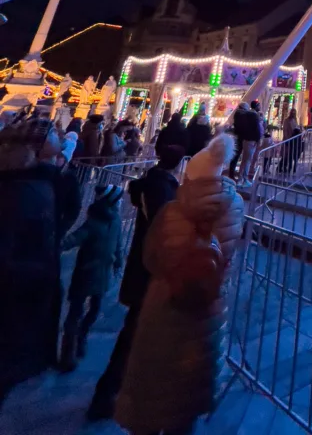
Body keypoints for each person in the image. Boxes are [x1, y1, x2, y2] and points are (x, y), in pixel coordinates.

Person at [115, 134, 244, 435]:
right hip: (207, 309)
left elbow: (152, 258)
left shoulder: (172, 209)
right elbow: (231, 254)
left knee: (154, 389)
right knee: (187, 401)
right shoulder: (234, 206)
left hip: (166, 305)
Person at [88, 143, 187, 421]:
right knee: (136, 334)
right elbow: (166, 228)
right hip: (153, 272)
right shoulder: (164, 191)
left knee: (135, 331)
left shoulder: (148, 184)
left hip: (142, 267)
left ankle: (114, 390)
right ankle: (113, 391)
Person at [0, 118, 81, 406]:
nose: (59, 137)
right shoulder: (32, 188)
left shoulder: (45, 181)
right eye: (53, 134)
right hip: (24, 287)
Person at [59, 184, 124, 370]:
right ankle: (68, 351)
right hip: (87, 272)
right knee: (76, 311)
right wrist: (59, 245)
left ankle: (81, 336)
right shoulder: (94, 222)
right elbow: (76, 238)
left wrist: (118, 260)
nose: (120, 203)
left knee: (94, 310)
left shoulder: (116, 221)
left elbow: (118, 241)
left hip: (102, 273)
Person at [229, 100, 262, 183]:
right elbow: (256, 129)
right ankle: (243, 178)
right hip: (248, 139)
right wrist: (258, 139)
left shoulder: (242, 115)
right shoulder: (251, 116)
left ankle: (240, 177)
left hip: (245, 139)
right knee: (246, 159)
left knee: (244, 159)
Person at [280, 107, 302, 174]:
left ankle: (287, 168)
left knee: (290, 155)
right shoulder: (287, 120)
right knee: (285, 155)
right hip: (288, 139)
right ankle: (280, 167)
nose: (293, 114)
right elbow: (285, 131)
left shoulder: (295, 120)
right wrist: (287, 139)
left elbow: (296, 128)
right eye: (292, 112)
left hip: (294, 141)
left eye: (294, 112)